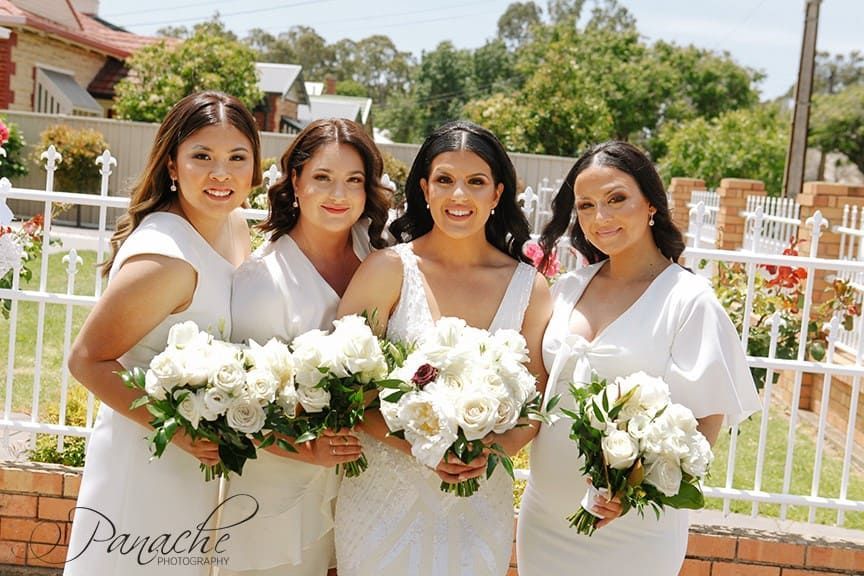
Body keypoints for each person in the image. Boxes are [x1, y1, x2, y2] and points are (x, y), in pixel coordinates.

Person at [516, 141, 762, 576]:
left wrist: (631, 492)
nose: (600, 218)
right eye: (587, 206)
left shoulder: (688, 300)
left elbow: (705, 425)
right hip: (545, 519)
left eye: (616, 199)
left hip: (634, 530)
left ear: (650, 203)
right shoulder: (569, 287)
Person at [333, 120, 552, 576]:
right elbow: (344, 389)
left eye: (476, 182)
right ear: (424, 189)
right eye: (445, 180)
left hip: (477, 503)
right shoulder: (387, 270)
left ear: (497, 194)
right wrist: (421, 447)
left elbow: (535, 405)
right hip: (383, 498)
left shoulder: (531, 289)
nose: (459, 196)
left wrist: (490, 452)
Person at [65, 91, 261, 575]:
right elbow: (86, 360)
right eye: (202, 157)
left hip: (198, 463)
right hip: (148, 455)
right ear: (172, 166)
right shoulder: (163, 258)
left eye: (238, 158)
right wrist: (173, 429)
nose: (222, 174)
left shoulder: (233, 225)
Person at [224, 118, 391, 576]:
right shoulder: (263, 279)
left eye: (353, 181)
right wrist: (309, 451)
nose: (339, 195)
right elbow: (242, 407)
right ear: (295, 180)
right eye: (323, 178)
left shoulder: (380, 254)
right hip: (282, 486)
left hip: (364, 484)